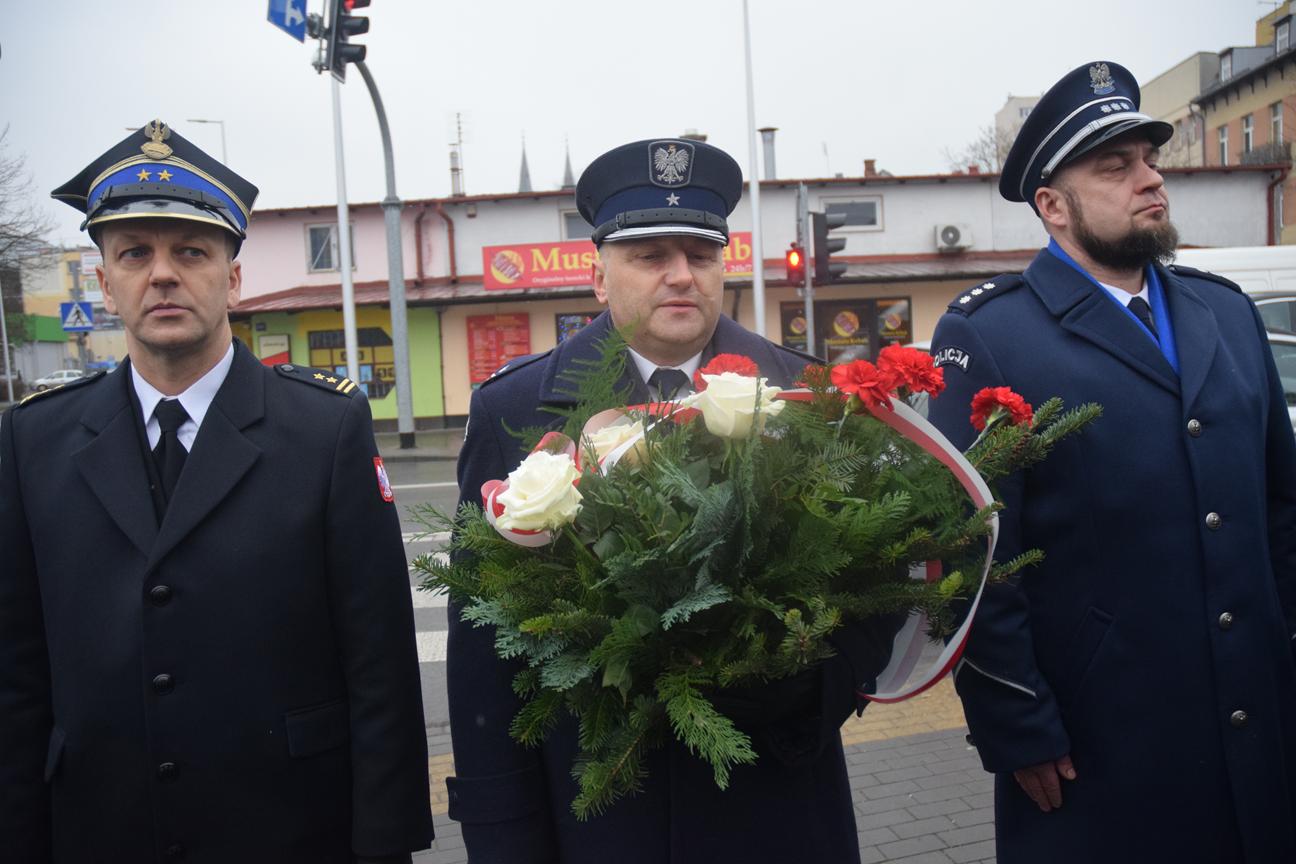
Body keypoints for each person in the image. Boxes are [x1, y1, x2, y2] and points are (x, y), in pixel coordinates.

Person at [447, 138, 900, 863]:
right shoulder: (516, 409)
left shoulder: (803, 394)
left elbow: (877, 586)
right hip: (601, 814)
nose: (682, 275)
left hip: (776, 798)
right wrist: (502, 836)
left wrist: (812, 684)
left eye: (701, 253)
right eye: (651, 255)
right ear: (599, 277)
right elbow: (483, 650)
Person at [0, 121, 433, 863]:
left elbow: (380, 666)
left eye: (191, 252)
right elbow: (16, 675)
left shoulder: (323, 429)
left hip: (288, 829)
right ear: (104, 284)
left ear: (233, 279)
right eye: (135, 253)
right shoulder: (34, 439)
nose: (162, 275)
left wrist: (384, 845)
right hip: (100, 830)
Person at [928, 62, 1296, 863]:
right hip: (1100, 742)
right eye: (1115, 166)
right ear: (1053, 206)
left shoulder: (1226, 313)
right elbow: (972, 555)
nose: (1150, 179)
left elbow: (1280, 512)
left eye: (1150, 160)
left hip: (1255, 713)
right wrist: (1016, 722)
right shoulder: (992, 334)